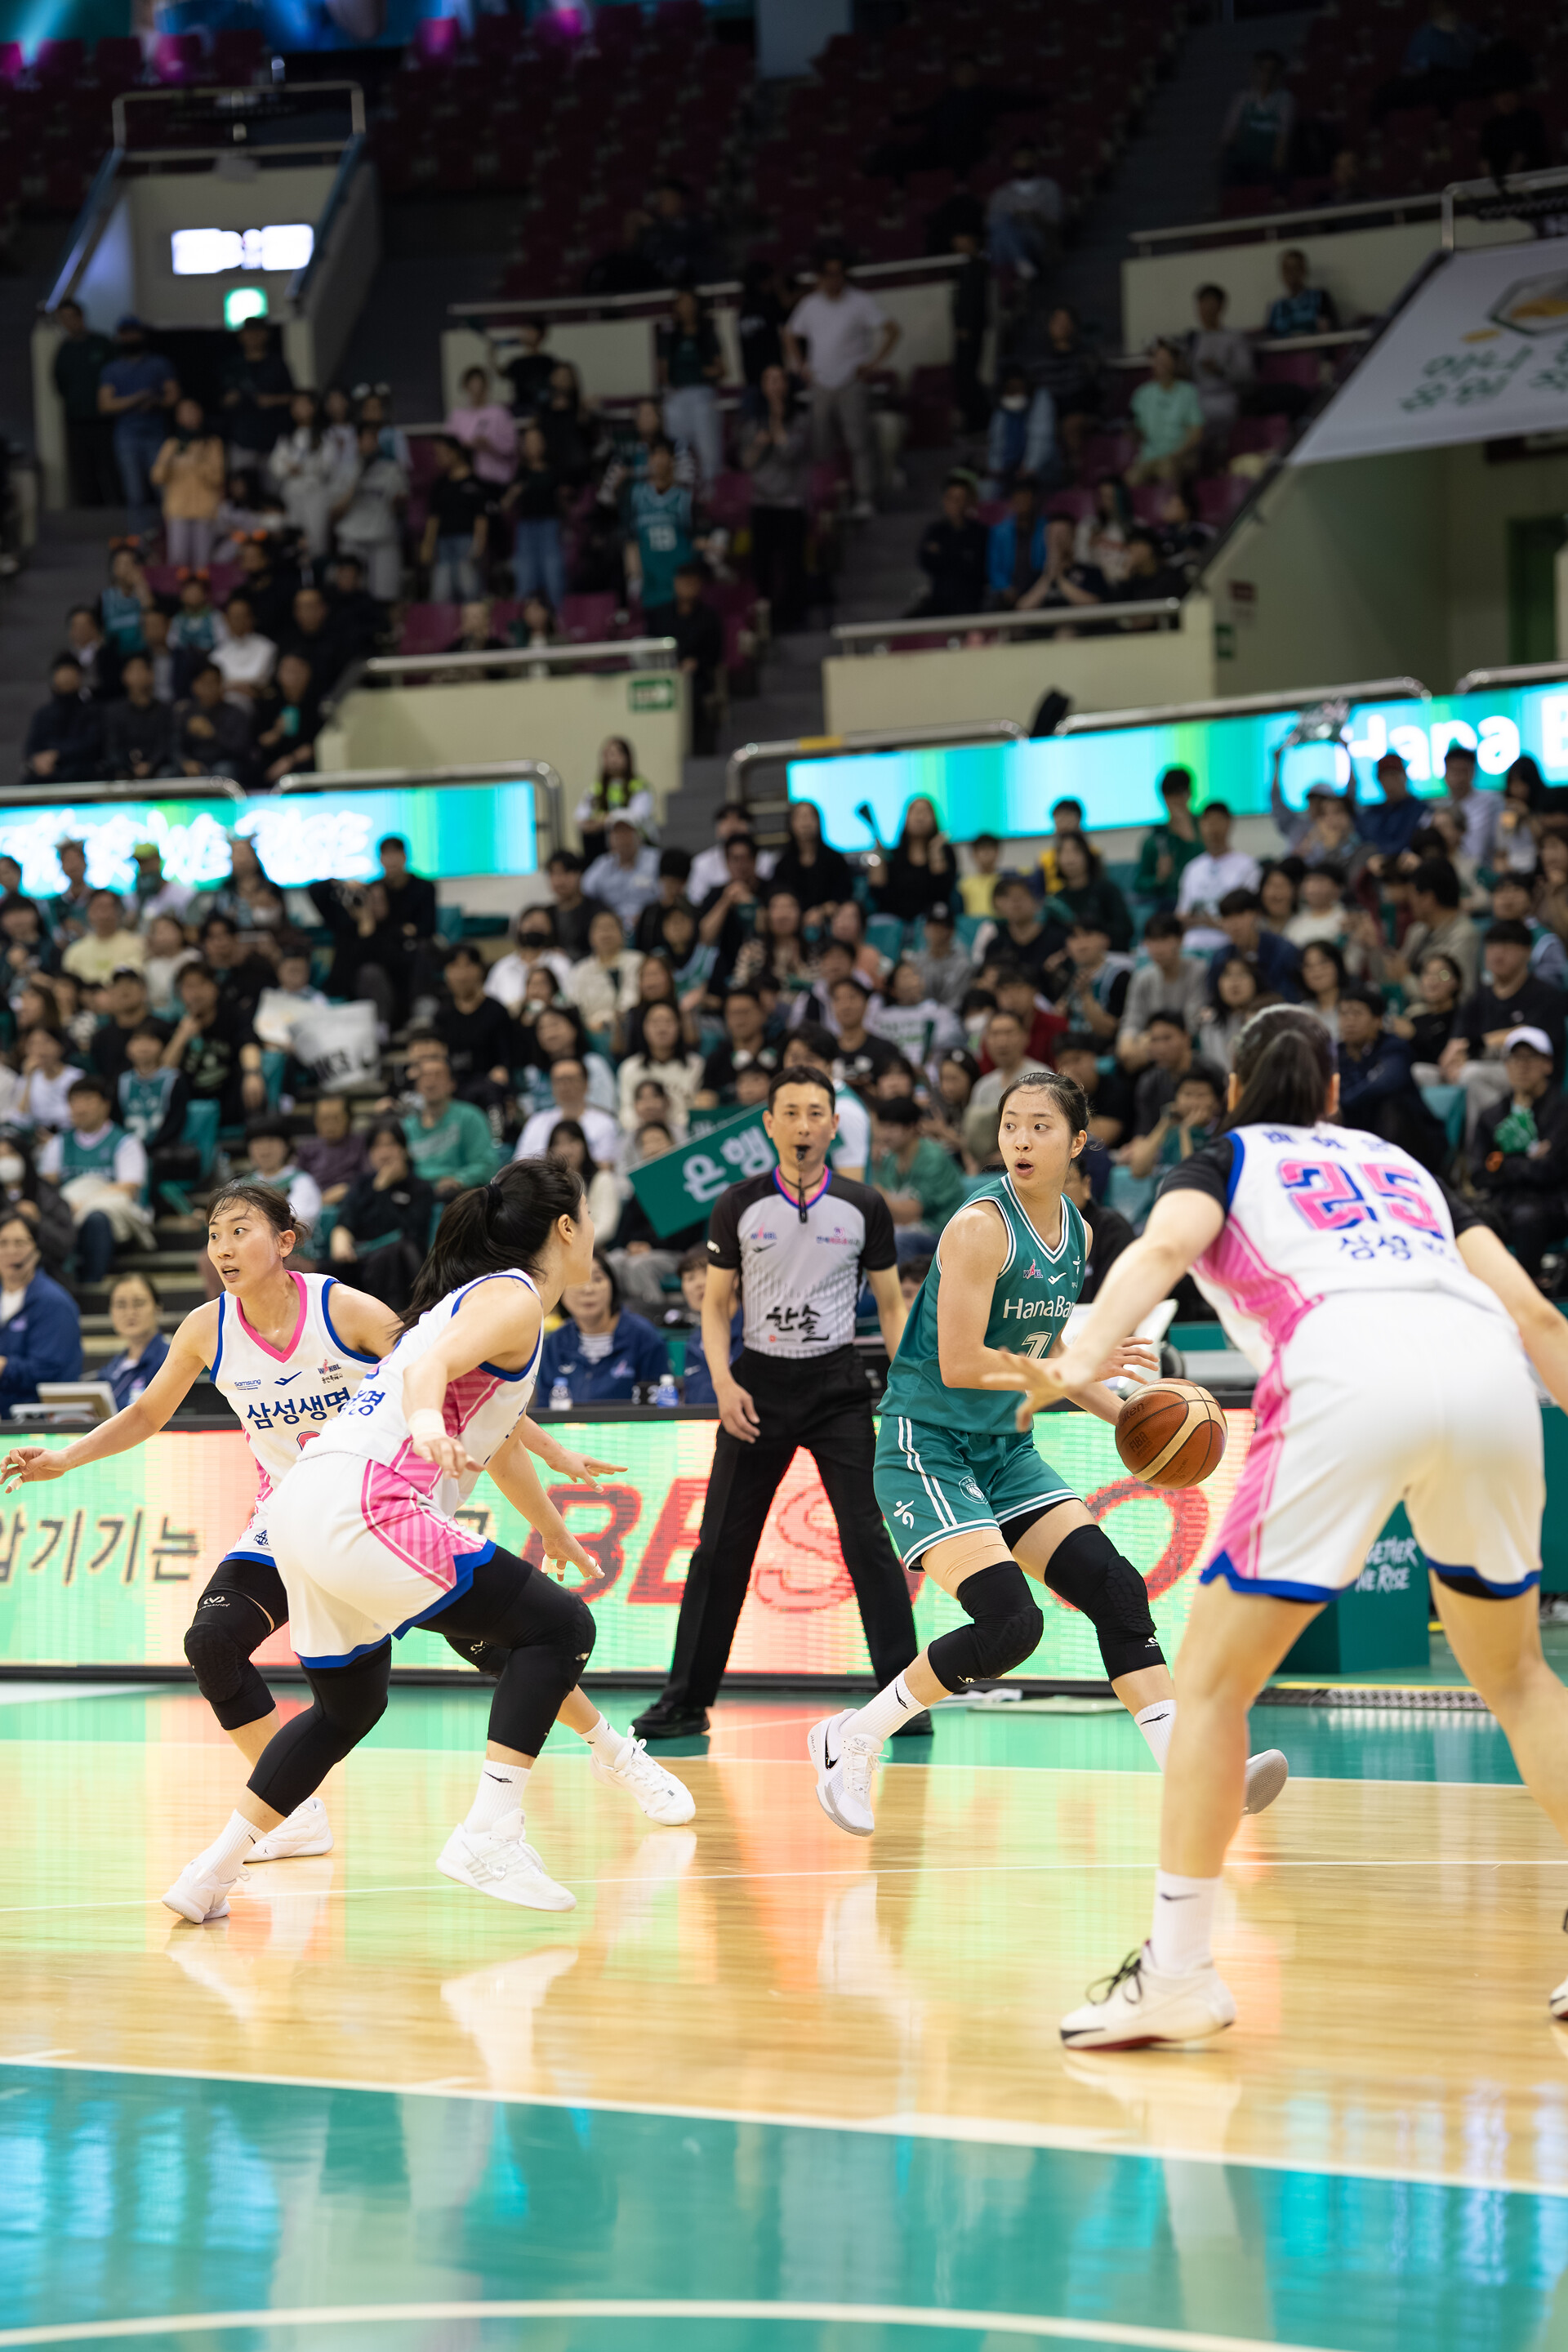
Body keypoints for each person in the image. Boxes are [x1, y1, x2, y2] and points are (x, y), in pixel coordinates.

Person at [997, 1006, 1568, 2047]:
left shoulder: (1222, 1159)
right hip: (1489, 1372)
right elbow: (1536, 1316)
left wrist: (1079, 1356)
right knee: (1522, 1679)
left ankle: (1178, 1972)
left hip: (1345, 1366)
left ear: (1234, 1089)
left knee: (1212, 1687)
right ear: (1337, 1093)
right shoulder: (1405, 1166)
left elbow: (1162, 1248)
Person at [150, 1160, 697, 1922]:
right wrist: (428, 1425)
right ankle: (491, 1833)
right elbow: (429, 1373)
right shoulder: (513, 1298)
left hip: (301, 1506)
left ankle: (210, 1873)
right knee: (559, 1627)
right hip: (366, 1502)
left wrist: (550, 1525)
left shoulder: (473, 1304)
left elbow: (498, 1435)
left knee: (348, 1709)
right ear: (568, 1227)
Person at [807, 1066, 1288, 1838]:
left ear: (1078, 1143)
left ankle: (1196, 1776)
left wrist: (1132, 1421)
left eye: (1040, 1127)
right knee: (1010, 1625)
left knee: (1117, 1590)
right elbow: (962, 1361)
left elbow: (1049, 1348)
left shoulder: (1078, 1232)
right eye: (1011, 1126)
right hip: (928, 1445)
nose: (1022, 1141)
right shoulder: (979, 1227)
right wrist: (1074, 1369)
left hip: (1005, 1447)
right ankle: (853, 1738)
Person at [631, 1066, 922, 1742]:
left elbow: (891, 1305)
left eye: (815, 1113)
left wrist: (907, 1382)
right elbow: (715, 1308)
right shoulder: (737, 1204)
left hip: (837, 1387)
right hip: (756, 1386)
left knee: (868, 1541)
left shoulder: (864, 1205)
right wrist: (723, 1382)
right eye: (789, 1113)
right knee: (718, 1549)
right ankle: (685, 1701)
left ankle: (903, 1703)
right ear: (768, 1124)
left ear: (834, 1125)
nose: (802, 1126)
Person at [784, 252, 900, 522]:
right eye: (828, 274)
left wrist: (873, 363)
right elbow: (790, 334)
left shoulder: (860, 301)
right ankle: (829, 499)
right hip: (821, 383)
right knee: (821, 445)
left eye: (838, 273)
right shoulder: (810, 304)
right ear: (819, 277)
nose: (833, 280)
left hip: (851, 381)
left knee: (859, 443)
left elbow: (893, 330)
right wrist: (801, 365)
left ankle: (865, 498)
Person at [1471, 1027, 1568, 1285]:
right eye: (1515, 1059)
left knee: (1528, 1217)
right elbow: (1479, 1174)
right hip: (1502, 1202)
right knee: (1470, 1218)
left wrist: (1503, 1163)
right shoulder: (1491, 1116)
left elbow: (1552, 1170)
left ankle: (1528, 1289)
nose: (1522, 1066)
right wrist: (1526, 1162)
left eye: (1530, 1058)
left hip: (1551, 1204)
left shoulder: (1562, 1113)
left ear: (1547, 1064)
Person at [36, 1072, 151, 1281]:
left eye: (88, 1100)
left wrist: (84, 1204)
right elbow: (48, 1187)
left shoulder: (125, 1142)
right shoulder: (59, 1143)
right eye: (75, 1101)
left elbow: (128, 1189)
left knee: (97, 1218)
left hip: (113, 1220)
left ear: (105, 1105)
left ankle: (92, 1283)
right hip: (70, 1216)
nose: (80, 1108)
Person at [537, 1249, 670, 1403]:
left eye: (597, 1279)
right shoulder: (555, 1343)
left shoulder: (644, 1337)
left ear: (612, 1285)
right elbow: (544, 1407)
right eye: (576, 1281)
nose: (588, 1289)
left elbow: (659, 1407)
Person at [328, 1120, 436, 1311]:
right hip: (363, 1259)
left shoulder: (420, 1188)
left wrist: (382, 1190)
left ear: (404, 1149)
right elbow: (347, 1220)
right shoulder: (361, 1184)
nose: (384, 1152)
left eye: (391, 1144)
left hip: (403, 1265)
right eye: (377, 1146)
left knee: (395, 1252)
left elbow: (409, 1232)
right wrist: (341, 1239)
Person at [742, 365, 811, 632]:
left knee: (793, 563)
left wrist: (778, 423)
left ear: (787, 385)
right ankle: (767, 618)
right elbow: (747, 462)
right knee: (761, 565)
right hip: (762, 503)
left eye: (778, 380)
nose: (773, 386)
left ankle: (794, 617)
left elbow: (789, 453)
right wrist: (760, 442)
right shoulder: (752, 422)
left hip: (791, 503)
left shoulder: (801, 420)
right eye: (768, 380)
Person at [98, 316, 178, 539]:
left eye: (134, 332)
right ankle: (138, 542)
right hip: (127, 435)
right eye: (125, 333)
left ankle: (170, 538)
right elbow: (105, 404)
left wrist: (156, 402)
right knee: (135, 493)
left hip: (156, 432)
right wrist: (138, 398)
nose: (130, 338)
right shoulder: (113, 369)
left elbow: (173, 396)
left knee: (163, 488)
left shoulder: (158, 364)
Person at [0, 1209, 82, 1414]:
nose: (11, 1251)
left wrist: (4, 1367)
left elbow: (49, 1370)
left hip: (36, 1419)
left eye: (20, 1243)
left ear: (36, 1249)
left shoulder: (54, 1303)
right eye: (3, 1243)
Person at [401, 1036, 499, 1199]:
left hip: (460, 1197)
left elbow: (487, 1164)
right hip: (418, 1198)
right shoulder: (407, 1126)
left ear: (451, 1084)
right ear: (417, 1085)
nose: (430, 1083)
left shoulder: (469, 1117)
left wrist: (459, 1179)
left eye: (438, 1075)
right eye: (425, 1076)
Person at [656, 287, 724, 489]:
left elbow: (721, 369)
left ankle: (712, 490)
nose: (686, 308)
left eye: (690, 303)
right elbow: (663, 372)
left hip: (703, 393)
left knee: (708, 449)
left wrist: (701, 371)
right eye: (682, 303)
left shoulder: (707, 334)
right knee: (679, 448)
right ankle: (680, 489)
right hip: (677, 395)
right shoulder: (670, 336)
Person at [51, 301, 116, 507]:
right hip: (77, 420)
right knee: (83, 470)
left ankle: (117, 510)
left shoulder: (101, 343)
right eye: (64, 319)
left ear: (81, 317)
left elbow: (116, 377)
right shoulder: (64, 350)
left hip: (105, 419)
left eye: (71, 317)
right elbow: (60, 384)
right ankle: (91, 513)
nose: (68, 322)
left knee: (110, 467)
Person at [150, 399, 225, 568]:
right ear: (178, 417)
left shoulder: (212, 443)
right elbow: (157, 476)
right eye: (185, 412)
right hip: (178, 509)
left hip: (204, 509)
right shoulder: (172, 444)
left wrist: (197, 461)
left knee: (203, 562)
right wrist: (170, 461)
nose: (190, 415)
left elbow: (217, 477)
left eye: (193, 410)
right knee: (178, 560)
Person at [1175, 804, 1262, 948]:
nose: (1213, 829)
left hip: (1230, 945)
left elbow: (1250, 918)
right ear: (1201, 826)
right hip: (1191, 946)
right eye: (1208, 822)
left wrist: (1211, 923)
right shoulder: (1192, 869)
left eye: (1218, 821)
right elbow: (1181, 915)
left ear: (1229, 824)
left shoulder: (1248, 866)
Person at [220, 318, 294, 474]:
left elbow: (293, 396)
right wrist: (233, 398)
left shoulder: (276, 364)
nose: (253, 337)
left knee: (274, 484)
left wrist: (271, 400)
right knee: (244, 483)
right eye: (249, 333)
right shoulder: (234, 365)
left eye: (257, 332)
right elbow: (221, 400)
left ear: (266, 335)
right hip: (243, 438)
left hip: (273, 438)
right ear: (241, 336)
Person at [422, 435, 489, 603]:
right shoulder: (440, 484)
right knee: (441, 594)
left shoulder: (475, 483)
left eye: (442, 453)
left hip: (466, 542)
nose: (438, 458)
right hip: (443, 544)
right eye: (437, 454)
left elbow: (481, 518)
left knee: (469, 590)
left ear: (455, 453)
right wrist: (428, 544)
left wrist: (479, 543)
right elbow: (433, 518)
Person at [913, 472, 988, 618]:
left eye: (959, 499)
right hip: (939, 600)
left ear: (969, 502)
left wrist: (943, 553)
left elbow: (977, 568)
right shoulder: (936, 530)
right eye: (951, 498)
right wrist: (960, 556)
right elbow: (926, 561)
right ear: (944, 500)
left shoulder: (980, 533)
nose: (954, 504)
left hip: (970, 602)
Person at [1187, 284, 1254, 449]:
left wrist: (1220, 370)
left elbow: (1247, 376)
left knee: (1195, 418)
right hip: (1195, 397)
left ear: (1220, 307)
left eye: (1210, 306)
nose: (1205, 312)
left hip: (1223, 398)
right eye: (1202, 306)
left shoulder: (1234, 338)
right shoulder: (1193, 339)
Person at [1218, 48, 1295, 189]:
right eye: (1262, 70)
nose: (1267, 75)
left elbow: (1282, 140)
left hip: (1267, 164)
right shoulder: (1243, 99)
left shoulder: (1285, 100)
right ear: (1254, 71)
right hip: (1244, 163)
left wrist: (1277, 169)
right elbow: (1228, 136)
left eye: (1272, 71)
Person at [24, 657, 105, 786]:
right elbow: (31, 747)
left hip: (80, 773)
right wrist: (37, 760)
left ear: (80, 677)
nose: (66, 677)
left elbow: (92, 744)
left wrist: (57, 754)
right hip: (47, 774)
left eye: (71, 672)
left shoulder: (92, 711)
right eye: (63, 671)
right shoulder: (43, 714)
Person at [98, 1268, 169, 1411]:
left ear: (158, 1308)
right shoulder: (110, 1370)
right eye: (121, 1305)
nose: (130, 1312)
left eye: (139, 1303)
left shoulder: (170, 1360)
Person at [1266, 248, 1338, 341]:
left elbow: (1331, 331)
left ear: (1304, 270)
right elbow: (1269, 337)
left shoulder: (1319, 298)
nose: (1292, 275)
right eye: (1287, 270)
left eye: (1296, 269)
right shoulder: (1277, 307)